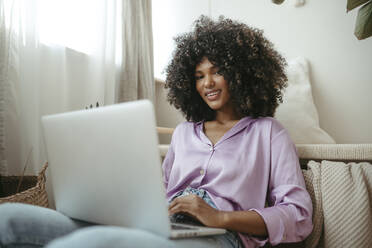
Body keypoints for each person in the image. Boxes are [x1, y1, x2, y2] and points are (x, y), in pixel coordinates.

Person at [0, 16, 312, 248]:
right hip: (161, 224)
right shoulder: (183, 134)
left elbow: (298, 215)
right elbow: (157, 192)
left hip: (220, 236)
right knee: (8, 220)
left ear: (241, 73)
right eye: (199, 75)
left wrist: (219, 218)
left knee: (90, 243)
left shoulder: (269, 133)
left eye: (218, 71)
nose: (208, 83)